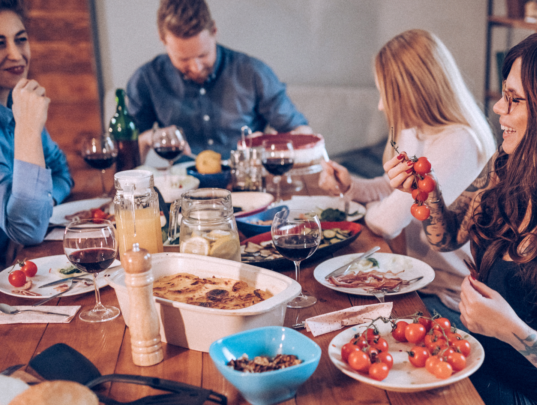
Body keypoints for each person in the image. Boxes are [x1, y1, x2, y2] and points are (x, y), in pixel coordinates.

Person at [385, 26, 537, 404]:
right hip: (483, 362)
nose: (497, 108)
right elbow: (447, 236)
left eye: (513, 99)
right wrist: (427, 191)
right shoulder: (504, 166)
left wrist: (511, 330)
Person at [318, 29, 495, 328]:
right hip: (417, 278)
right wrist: (351, 186)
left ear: (414, 92)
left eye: (385, 94)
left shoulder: (458, 142)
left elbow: (385, 222)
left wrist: (373, 208)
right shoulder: (416, 128)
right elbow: (393, 188)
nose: (380, 106)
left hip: (450, 297)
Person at [126, 0, 312, 161]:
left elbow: (303, 133)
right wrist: (149, 138)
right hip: (182, 189)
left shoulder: (253, 72)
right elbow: (127, 158)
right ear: (162, 39)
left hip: (246, 182)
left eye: (203, 55)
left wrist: (269, 143)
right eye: (183, 59)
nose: (196, 67)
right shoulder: (146, 79)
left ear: (214, 30)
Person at [0, 0, 73, 266]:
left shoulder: (16, 107)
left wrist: (46, 199)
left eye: (20, 40)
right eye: (0, 43)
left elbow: (62, 171)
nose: (16, 54)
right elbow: (28, 231)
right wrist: (28, 130)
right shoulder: (26, 115)